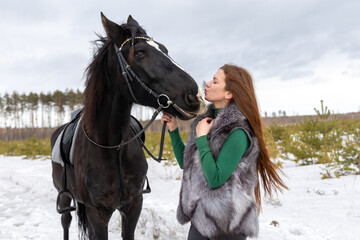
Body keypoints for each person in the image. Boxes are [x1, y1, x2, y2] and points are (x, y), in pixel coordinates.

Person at [161, 64, 287, 240]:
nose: (207, 84)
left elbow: (216, 179)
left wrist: (201, 138)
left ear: (229, 93)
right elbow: (187, 163)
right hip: (202, 219)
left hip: (230, 225)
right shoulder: (205, 121)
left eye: (215, 81)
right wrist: (173, 130)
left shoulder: (239, 132)